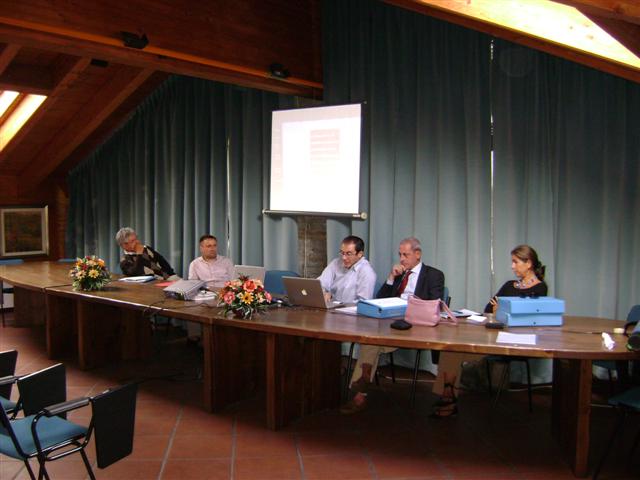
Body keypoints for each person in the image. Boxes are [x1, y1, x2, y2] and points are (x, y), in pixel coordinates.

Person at [431, 244, 547, 418]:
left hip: (517, 339)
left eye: (515, 262)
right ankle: (448, 396)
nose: (512, 266)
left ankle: (448, 399)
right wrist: (503, 311)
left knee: (454, 351)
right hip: (493, 333)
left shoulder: (539, 288)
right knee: (451, 348)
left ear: (528, 263)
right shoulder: (509, 285)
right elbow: (488, 308)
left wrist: (502, 311)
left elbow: (526, 317)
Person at [340, 237, 445, 414]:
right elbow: (380, 300)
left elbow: (436, 305)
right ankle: (361, 388)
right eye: (400, 254)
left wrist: (410, 306)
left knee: (371, 344)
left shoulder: (434, 275)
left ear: (418, 254)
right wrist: (390, 278)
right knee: (370, 341)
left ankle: (359, 393)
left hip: (416, 326)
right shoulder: (399, 274)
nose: (402, 259)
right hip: (391, 323)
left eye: (406, 255)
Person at [318, 235, 377, 304]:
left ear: (360, 254)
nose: (344, 258)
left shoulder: (367, 272)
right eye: (342, 253)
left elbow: (363, 303)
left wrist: (340, 305)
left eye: (349, 254)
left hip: (350, 310)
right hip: (332, 307)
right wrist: (324, 293)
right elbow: (319, 285)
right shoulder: (336, 263)